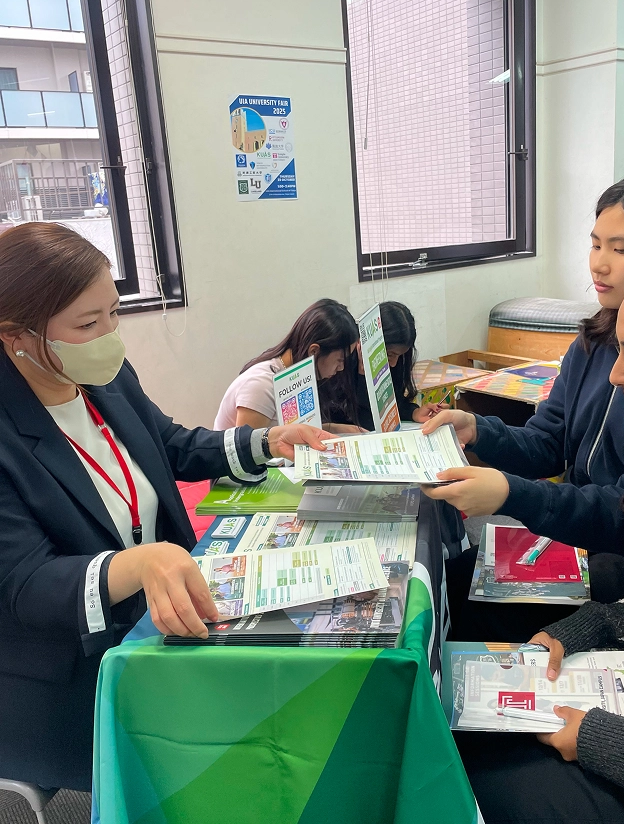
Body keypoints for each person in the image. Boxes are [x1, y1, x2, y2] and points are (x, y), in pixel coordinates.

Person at [0, 223, 331, 791]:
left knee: (298, 693)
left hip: (167, 619)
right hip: (76, 671)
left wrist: (265, 442)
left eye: (114, 313)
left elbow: (171, 444)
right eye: (87, 324)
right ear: (17, 338)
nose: (111, 336)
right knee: (245, 745)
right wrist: (139, 564)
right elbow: (24, 583)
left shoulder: (104, 376)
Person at [458, 239, 624, 824]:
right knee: (463, 722)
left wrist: (601, 740)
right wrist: (588, 626)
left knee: (479, 775)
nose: (616, 374)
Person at [421, 168, 624, 634]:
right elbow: (547, 441)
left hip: (622, 564)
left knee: (463, 604)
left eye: (621, 250)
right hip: (569, 534)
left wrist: (511, 493)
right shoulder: (593, 341)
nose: (599, 264)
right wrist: (479, 429)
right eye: (595, 244)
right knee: (442, 586)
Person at [213, 298, 359, 431]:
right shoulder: (261, 387)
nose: (341, 368)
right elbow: (248, 455)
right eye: (340, 360)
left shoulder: (297, 376)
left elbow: (298, 429)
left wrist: (339, 430)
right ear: (314, 351)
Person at [322, 301, 443, 430]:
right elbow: (363, 420)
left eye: (400, 355)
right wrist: (363, 376)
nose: (394, 363)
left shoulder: (396, 363)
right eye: (390, 354)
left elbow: (392, 403)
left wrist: (413, 412)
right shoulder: (340, 364)